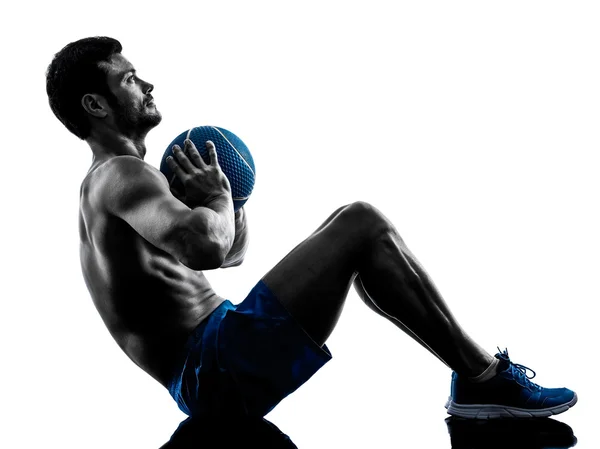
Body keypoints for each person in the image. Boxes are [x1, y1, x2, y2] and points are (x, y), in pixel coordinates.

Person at [46, 36, 576, 444]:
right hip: (214, 364)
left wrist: (234, 197)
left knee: (354, 228)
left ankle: (479, 381)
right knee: (361, 221)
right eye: (132, 78)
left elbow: (229, 254)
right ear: (96, 105)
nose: (149, 85)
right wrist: (217, 201)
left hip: (212, 364)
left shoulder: (119, 184)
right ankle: (483, 380)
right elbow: (204, 246)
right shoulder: (121, 174)